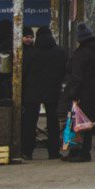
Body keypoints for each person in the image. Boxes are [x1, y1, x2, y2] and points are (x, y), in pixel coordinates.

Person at [59, 23, 95, 163]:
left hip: (81, 94)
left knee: (77, 123)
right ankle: (81, 152)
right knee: (85, 123)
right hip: (92, 93)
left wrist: (73, 93)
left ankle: (79, 153)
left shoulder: (82, 53)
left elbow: (77, 76)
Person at [21, 26, 66, 160]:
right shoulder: (59, 52)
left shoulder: (30, 53)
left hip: (32, 91)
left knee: (30, 121)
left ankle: (27, 151)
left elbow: (24, 71)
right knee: (53, 121)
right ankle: (53, 151)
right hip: (52, 90)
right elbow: (64, 69)